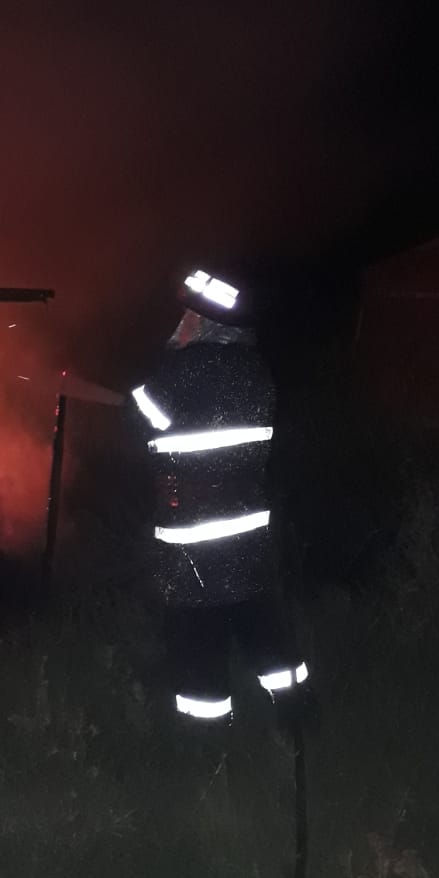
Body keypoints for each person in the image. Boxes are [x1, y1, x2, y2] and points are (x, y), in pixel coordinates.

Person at [129, 268, 308, 727]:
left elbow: (140, 417)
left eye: (188, 316)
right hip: (249, 532)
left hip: (194, 541)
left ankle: (205, 738)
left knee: (197, 635)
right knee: (261, 620)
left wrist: (153, 367)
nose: (180, 323)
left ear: (205, 323)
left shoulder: (182, 373)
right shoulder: (256, 371)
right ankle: (296, 714)